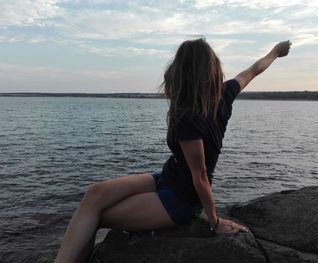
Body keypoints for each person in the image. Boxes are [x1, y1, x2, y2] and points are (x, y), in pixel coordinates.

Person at [55, 38, 291, 263]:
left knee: (93, 216)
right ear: (212, 70)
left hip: (182, 200)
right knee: (95, 194)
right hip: (166, 178)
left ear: (182, 73)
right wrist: (275, 52)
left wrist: (214, 220)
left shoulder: (189, 117)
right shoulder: (226, 92)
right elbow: (254, 70)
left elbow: (200, 175)